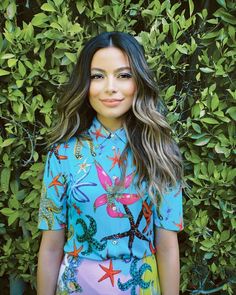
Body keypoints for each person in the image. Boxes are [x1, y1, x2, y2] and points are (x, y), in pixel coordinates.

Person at [37, 31, 184, 295]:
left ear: (138, 82)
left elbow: (168, 245)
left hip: (141, 286)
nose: (110, 87)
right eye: (98, 76)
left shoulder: (161, 152)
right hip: (76, 287)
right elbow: (50, 246)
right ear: (85, 84)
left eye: (124, 75)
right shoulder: (62, 154)